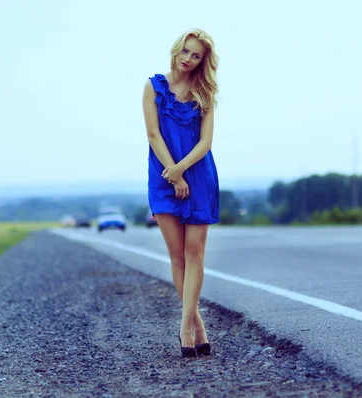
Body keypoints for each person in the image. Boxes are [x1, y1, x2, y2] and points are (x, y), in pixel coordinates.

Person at [142, 29, 220, 358]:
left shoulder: (205, 92)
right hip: (163, 175)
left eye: (196, 55)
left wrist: (183, 171)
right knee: (176, 257)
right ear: (177, 49)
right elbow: (153, 134)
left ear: (204, 61)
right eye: (185, 51)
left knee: (194, 255)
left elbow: (205, 143)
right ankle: (197, 325)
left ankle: (185, 327)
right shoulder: (153, 86)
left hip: (198, 175)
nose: (187, 59)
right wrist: (173, 175)